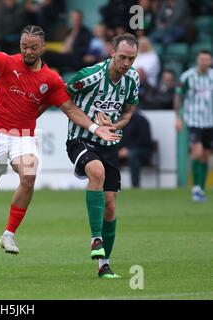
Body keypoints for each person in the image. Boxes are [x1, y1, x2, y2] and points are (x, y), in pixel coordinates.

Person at [0, 16, 120, 279]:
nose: (27, 51)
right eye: (24, 45)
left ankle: (8, 234)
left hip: (23, 137)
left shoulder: (51, 78)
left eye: (33, 47)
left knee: (29, 175)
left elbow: (70, 109)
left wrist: (95, 128)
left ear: (43, 47)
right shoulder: (6, 61)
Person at [65, 33, 140, 279]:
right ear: (112, 53)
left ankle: (104, 265)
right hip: (80, 139)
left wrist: (115, 126)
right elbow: (63, 99)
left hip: (108, 145)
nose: (127, 63)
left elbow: (129, 112)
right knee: (96, 171)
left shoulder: (132, 79)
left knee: (110, 205)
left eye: (131, 58)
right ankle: (95, 239)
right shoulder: (89, 76)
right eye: (122, 57)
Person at [174, 49, 213, 202]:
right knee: (197, 152)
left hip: (210, 122)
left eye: (207, 59)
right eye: (201, 59)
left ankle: (201, 189)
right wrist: (178, 117)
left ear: (210, 61)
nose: (204, 62)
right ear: (197, 60)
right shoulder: (188, 76)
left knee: (205, 156)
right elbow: (178, 96)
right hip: (194, 120)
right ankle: (196, 187)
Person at [118, 110, 153, 188]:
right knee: (110, 154)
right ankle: (112, 185)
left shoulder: (142, 120)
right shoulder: (122, 121)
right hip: (126, 151)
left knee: (132, 155)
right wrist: (120, 150)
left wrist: (128, 149)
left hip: (143, 151)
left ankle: (135, 186)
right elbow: (119, 138)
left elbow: (144, 140)